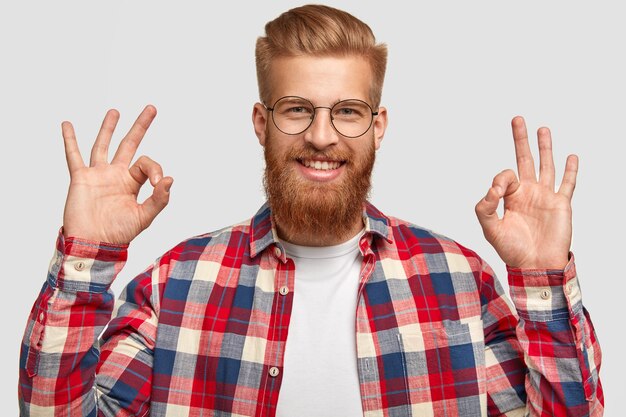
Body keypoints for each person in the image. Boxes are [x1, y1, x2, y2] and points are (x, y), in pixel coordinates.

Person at [19, 4, 603, 416]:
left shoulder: (458, 282)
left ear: (378, 127)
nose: (322, 136)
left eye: (347, 111)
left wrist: (543, 277)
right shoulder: (176, 284)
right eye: (297, 109)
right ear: (260, 123)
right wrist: (85, 261)